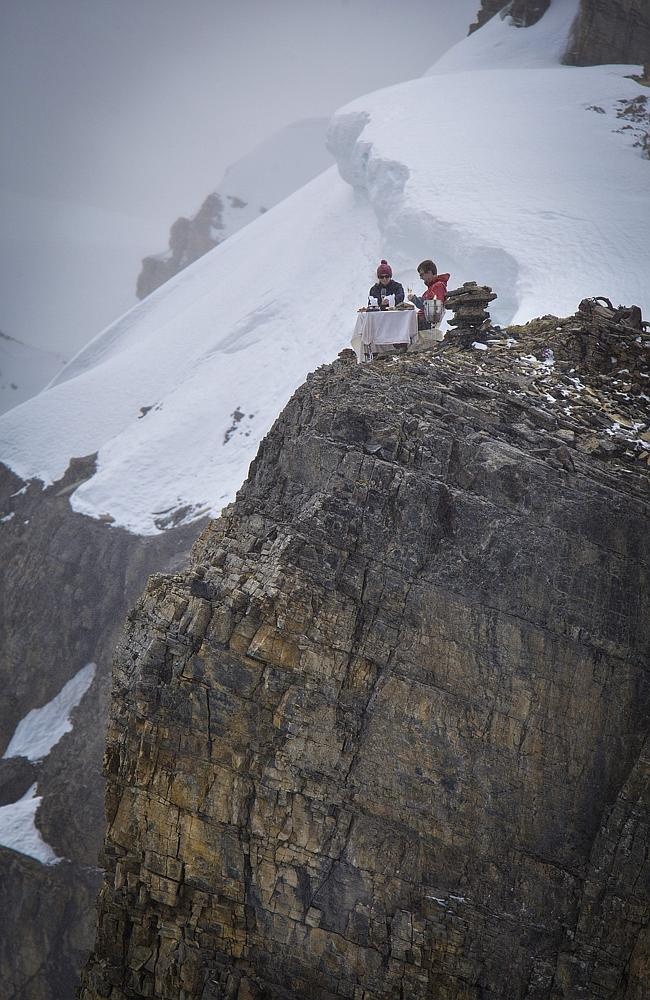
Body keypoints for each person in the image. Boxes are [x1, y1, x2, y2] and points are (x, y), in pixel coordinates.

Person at [408, 260, 450, 329]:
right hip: (423, 323)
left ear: (429, 273)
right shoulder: (433, 287)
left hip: (426, 325)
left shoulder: (438, 286)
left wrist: (415, 299)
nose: (421, 278)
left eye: (422, 274)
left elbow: (432, 308)